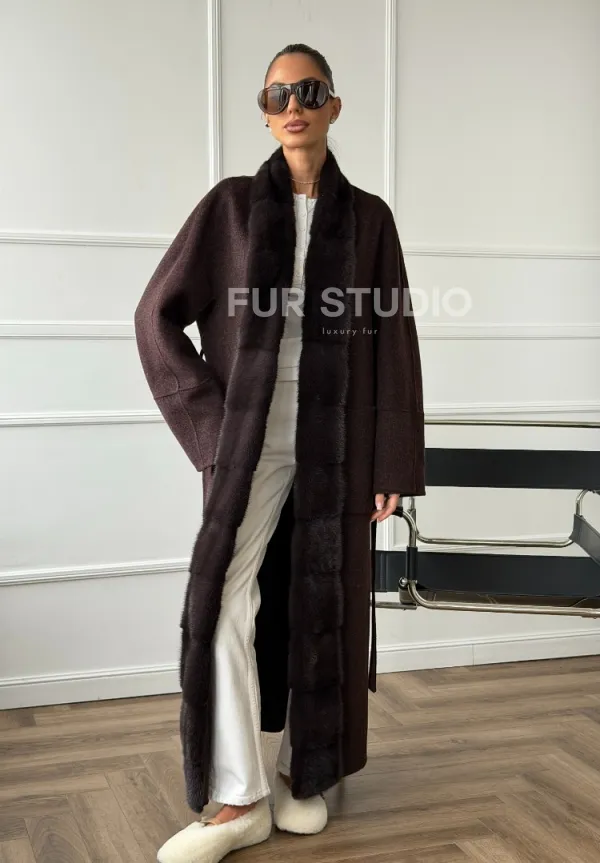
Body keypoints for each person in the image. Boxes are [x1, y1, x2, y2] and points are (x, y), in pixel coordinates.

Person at [134, 42, 426, 863]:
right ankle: (239, 797)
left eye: (308, 90)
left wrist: (392, 464)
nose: (292, 104)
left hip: (341, 443)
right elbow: (155, 317)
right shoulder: (230, 208)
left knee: (323, 600)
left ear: (334, 105)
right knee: (226, 599)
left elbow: (394, 341)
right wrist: (210, 430)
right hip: (250, 440)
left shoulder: (370, 219)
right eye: (277, 94)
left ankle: (306, 772)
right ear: (265, 114)